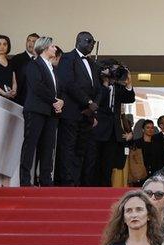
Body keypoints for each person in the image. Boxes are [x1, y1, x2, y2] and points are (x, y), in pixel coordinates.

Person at [55, 32, 99, 186]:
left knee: (81, 150)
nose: (91, 45)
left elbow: (98, 88)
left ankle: (76, 182)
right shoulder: (67, 58)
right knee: (68, 148)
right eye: (88, 41)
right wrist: (87, 101)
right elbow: (68, 83)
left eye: (93, 42)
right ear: (78, 41)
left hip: (87, 114)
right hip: (72, 111)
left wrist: (93, 106)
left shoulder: (92, 63)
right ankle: (67, 183)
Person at [19, 36, 62, 187]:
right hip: (36, 110)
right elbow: (37, 86)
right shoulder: (34, 65)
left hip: (50, 113)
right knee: (30, 145)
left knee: (48, 147)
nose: (55, 49)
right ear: (44, 48)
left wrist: (60, 100)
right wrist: (54, 100)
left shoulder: (52, 68)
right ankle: (25, 181)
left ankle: (45, 181)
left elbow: (56, 89)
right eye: (53, 46)